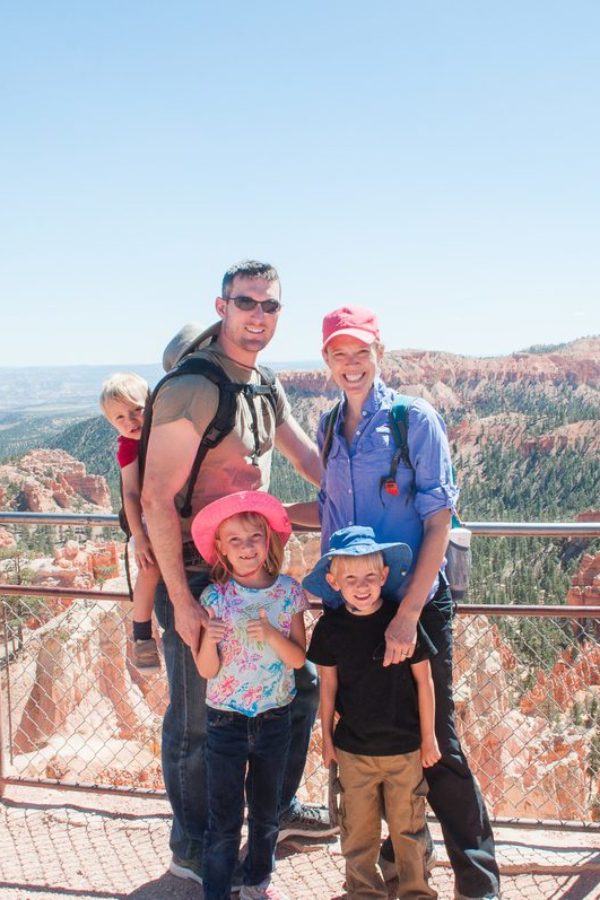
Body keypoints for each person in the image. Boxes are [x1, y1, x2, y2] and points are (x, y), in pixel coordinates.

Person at [293, 306, 500, 900]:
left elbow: (438, 520)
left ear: (379, 353)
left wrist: (408, 613)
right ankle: (395, 867)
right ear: (326, 360)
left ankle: (478, 882)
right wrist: (275, 517)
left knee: (435, 740)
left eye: (361, 353)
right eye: (339, 354)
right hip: (352, 604)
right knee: (368, 728)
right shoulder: (331, 425)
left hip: (410, 604)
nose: (350, 365)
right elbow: (332, 518)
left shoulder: (415, 420)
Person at [141, 260, 334, 887]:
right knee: (199, 718)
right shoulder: (193, 387)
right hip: (197, 573)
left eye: (270, 306)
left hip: (254, 567)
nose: (258, 315)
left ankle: (272, 813)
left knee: (296, 689)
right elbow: (155, 499)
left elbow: (309, 459)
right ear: (222, 306)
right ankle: (193, 845)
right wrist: (183, 599)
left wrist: (378, 492)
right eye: (246, 302)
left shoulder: (263, 385)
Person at [305, 525, 440, 899]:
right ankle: (364, 891)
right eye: (350, 578)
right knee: (358, 831)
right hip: (353, 750)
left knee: (409, 828)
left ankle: (416, 891)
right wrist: (328, 740)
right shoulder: (329, 630)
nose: (361, 586)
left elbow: (423, 682)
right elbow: (327, 687)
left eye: (369, 576)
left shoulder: (401, 623)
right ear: (334, 582)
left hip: (405, 748)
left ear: (383, 576)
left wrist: (428, 738)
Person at [192, 490, 308, 900]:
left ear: (268, 541)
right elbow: (207, 669)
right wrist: (209, 639)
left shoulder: (288, 594)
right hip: (225, 719)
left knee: (265, 813)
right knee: (223, 818)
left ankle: (257, 880)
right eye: (235, 540)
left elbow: (298, 660)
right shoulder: (214, 599)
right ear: (220, 548)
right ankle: (218, 890)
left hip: (275, 716)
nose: (246, 547)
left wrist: (273, 635)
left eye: (254, 537)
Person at [100, 372, 161, 670]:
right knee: (149, 568)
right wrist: (139, 537)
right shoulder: (128, 447)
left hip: (172, 512)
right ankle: (142, 637)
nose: (130, 421)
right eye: (119, 418)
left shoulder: (163, 433)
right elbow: (130, 492)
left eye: (137, 410)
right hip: (148, 519)